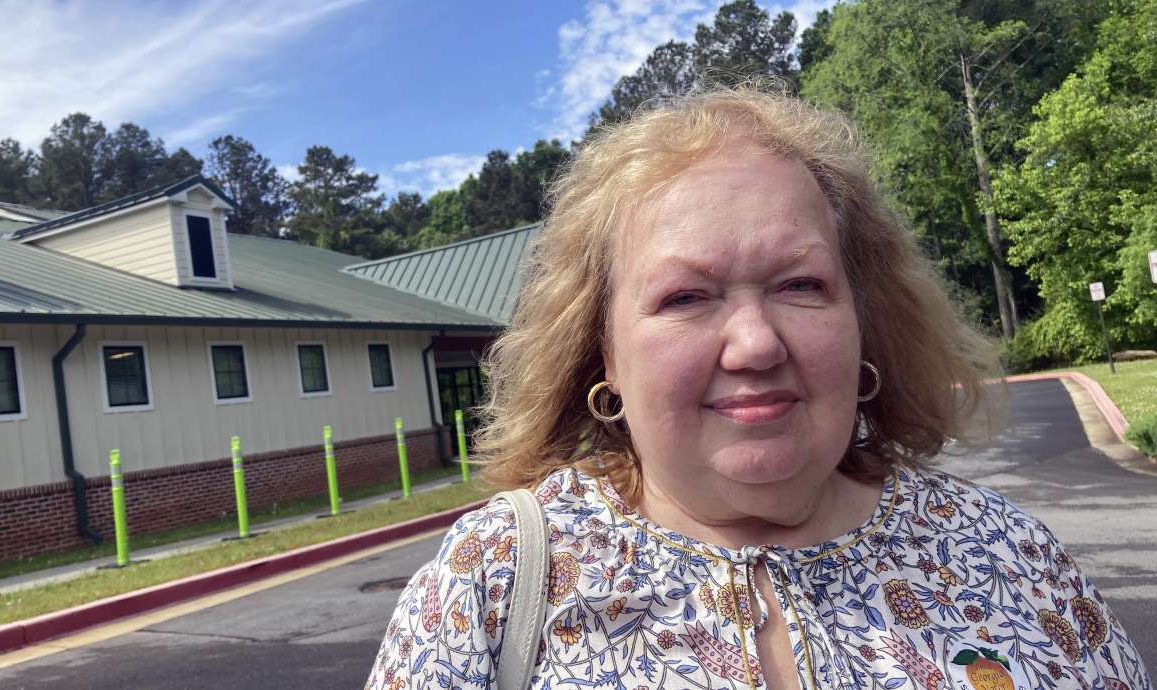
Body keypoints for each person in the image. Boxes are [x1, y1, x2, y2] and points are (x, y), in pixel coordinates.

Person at [366, 85, 1152, 690]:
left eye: (801, 285)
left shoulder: (1004, 554)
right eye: (685, 296)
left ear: (861, 317)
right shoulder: (496, 580)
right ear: (603, 350)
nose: (755, 342)